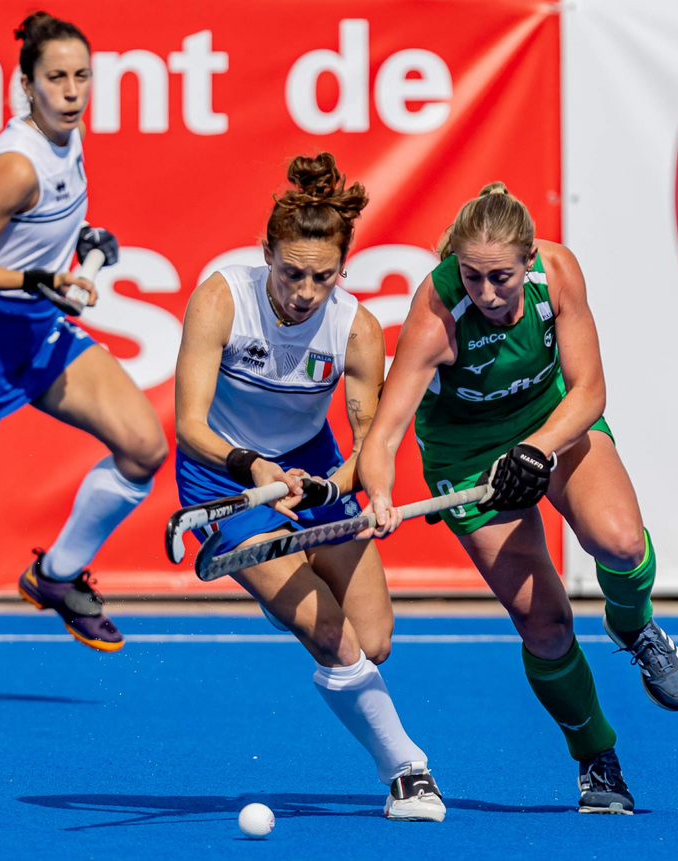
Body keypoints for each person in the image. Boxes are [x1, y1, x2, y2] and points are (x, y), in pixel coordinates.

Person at [358, 183, 678, 815]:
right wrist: (378, 495)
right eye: (472, 276)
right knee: (545, 624)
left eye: (501, 278)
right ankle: (595, 756)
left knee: (621, 543)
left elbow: (589, 391)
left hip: (551, 421)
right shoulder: (436, 314)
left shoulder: (558, 275)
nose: (487, 293)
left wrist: (536, 449)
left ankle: (631, 623)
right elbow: (383, 435)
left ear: (530, 258)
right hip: (466, 456)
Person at [0, 11, 168, 701]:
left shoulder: (68, 138)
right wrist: (36, 278)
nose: (72, 90)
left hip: (39, 329)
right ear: (28, 85)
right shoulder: (15, 166)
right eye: (56, 78)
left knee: (142, 447)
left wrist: (81, 239)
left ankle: (55, 575)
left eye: (82, 76)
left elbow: (33, 234)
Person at [173, 153, 444, 822]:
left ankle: (283, 590)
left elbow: (366, 444)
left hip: (312, 469)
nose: (304, 291)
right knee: (330, 636)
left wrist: (336, 489)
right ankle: (407, 771)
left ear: (342, 269)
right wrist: (254, 469)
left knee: (372, 641)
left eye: (323, 276)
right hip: (225, 477)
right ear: (266, 252)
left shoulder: (356, 329)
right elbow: (189, 425)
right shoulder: (221, 298)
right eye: (291, 272)